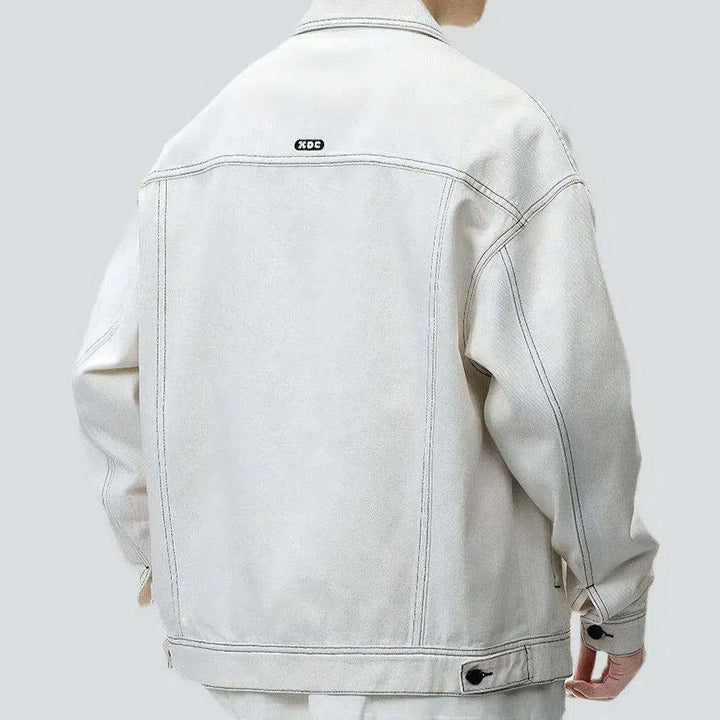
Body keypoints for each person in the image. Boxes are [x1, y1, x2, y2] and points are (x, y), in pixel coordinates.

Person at [70, 1, 659, 718]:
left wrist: (167, 561)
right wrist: (614, 599)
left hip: (244, 654)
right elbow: (567, 405)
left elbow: (107, 376)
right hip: (457, 658)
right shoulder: (499, 131)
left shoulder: (197, 142)